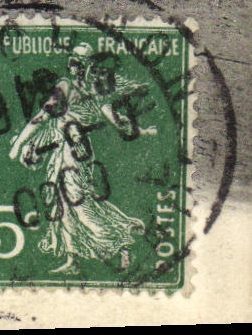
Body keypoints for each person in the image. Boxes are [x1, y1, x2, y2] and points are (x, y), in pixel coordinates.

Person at [8, 44, 153, 275]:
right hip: (67, 151)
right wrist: (141, 130)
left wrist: (17, 145)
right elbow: (117, 122)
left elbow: (43, 116)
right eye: (73, 63)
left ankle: (119, 241)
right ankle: (72, 257)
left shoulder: (78, 88)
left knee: (78, 203)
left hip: (73, 154)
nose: (75, 68)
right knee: (62, 204)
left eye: (79, 64)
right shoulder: (85, 90)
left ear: (86, 66)